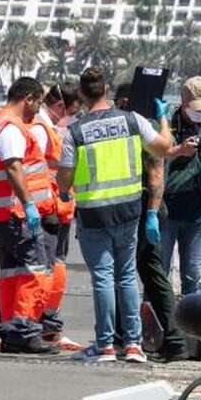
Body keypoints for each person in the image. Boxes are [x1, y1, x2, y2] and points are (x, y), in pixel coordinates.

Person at [57, 67, 173, 363]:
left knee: (102, 278)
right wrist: (162, 116)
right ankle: (133, 345)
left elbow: (65, 176)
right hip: (129, 209)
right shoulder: (132, 120)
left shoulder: (76, 131)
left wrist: (65, 193)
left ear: (82, 95)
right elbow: (164, 147)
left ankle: (106, 344)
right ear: (106, 89)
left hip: (94, 213)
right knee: (126, 277)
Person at [0, 77, 57, 353]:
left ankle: (13, 331)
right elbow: (14, 167)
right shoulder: (11, 127)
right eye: (37, 103)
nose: (37, 111)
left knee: (12, 272)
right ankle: (24, 331)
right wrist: (29, 205)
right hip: (16, 213)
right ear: (28, 98)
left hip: (4, 212)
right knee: (32, 270)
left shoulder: (0, 122)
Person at [113, 83, 187, 362]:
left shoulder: (141, 129)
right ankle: (173, 339)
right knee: (150, 273)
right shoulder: (147, 128)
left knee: (128, 272)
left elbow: (156, 173)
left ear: (123, 102)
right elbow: (167, 149)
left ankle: (123, 336)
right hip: (144, 207)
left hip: (146, 208)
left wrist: (152, 215)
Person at [160, 76, 201, 297]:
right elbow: (151, 161)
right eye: (195, 109)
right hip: (168, 209)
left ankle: (191, 327)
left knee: (192, 274)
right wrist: (178, 151)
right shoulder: (165, 122)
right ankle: (158, 325)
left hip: (199, 212)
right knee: (160, 273)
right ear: (183, 101)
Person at [27, 83, 81, 349]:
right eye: (72, 111)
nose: (73, 117)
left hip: (57, 209)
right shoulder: (41, 128)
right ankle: (43, 324)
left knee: (54, 266)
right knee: (46, 268)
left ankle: (48, 324)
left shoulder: (52, 128)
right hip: (46, 209)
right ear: (60, 106)